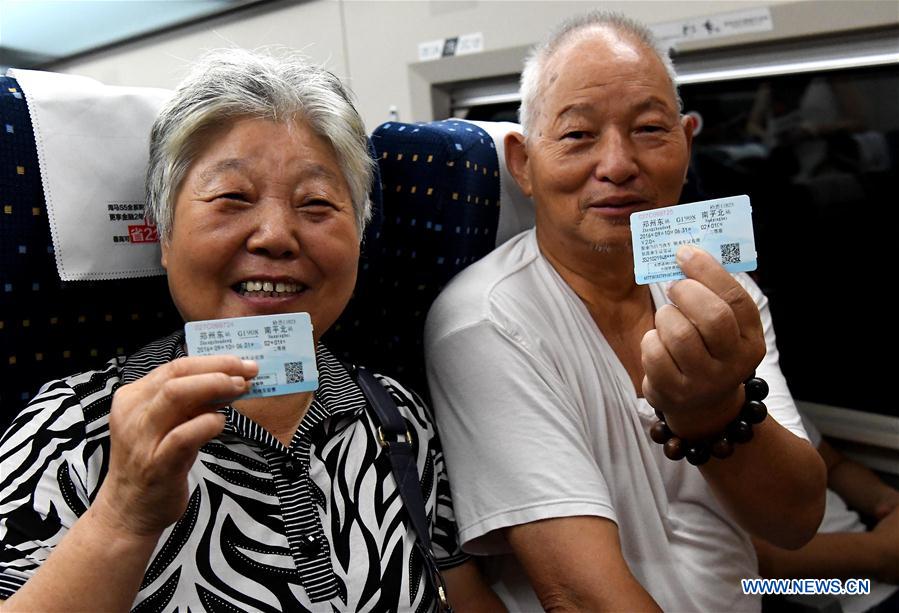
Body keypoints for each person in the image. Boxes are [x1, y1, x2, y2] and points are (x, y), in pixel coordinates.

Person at [0, 49, 502, 612]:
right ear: (164, 237)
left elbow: (461, 596)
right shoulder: (69, 427)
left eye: (317, 204)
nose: (275, 236)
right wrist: (123, 515)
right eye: (232, 198)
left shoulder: (396, 414)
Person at [425, 12, 826, 612]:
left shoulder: (718, 289)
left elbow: (793, 520)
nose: (617, 164)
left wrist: (715, 411)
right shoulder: (485, 320)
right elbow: (583, 598)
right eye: (578, 136)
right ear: (522, 163)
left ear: (687, 144)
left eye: (648, 129)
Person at [753, 415, 899, 613]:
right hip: (830, 598)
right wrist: (880, 553)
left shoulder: (770, 400)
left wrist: (887, 500)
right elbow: (755, 558)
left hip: (879, 560)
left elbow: (832, 466)